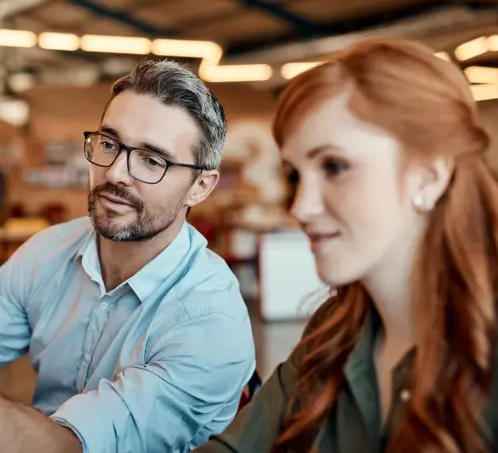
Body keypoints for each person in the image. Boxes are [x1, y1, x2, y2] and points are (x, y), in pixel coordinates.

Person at [194, 38, 498, 453]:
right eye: (296, 175)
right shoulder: (334, 333)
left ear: (429, 177)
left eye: (334, 167)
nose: (300, 207)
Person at [0, 59, 256, 453]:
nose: (116, 172)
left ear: (199, 187)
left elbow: (68, 449)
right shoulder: (46, 254)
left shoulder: (209, 321)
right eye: (109, 143)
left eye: (152, 160)